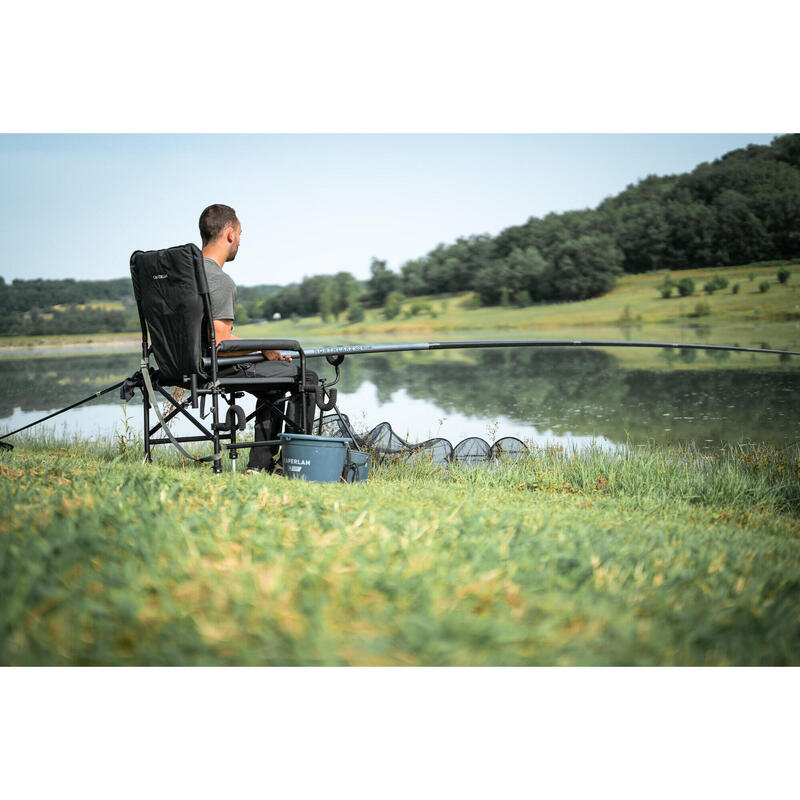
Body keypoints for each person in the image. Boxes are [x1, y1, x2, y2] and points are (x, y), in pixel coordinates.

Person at [199, 203, 318, 473]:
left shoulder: (181, 276)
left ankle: (261, 464)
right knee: (306, 379)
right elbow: (219, 344)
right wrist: (264, 348)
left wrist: (264, 352)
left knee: (274, 383)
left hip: (181, 366)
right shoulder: (218, 280)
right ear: (229, 233)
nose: (240, 240)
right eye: (240, 233)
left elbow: (212, 336)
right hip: (212, 367)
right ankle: (295, 463)